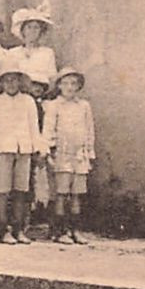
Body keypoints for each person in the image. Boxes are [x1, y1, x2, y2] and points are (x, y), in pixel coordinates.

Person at [0, 60, 43, 243]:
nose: (10, 84)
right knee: (3, 190)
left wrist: (37, 149)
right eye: (7, 80)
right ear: (1, 83)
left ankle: (18, 229)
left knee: (20, 190)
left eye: (14, 80)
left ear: (20, 82)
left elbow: (34, 127)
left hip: (24, 149)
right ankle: (3, 230)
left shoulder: (28, 101)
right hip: (3, 149)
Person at [44, 67, 95, 244]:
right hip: (62, 154)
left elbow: (89, 130)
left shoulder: (84, 106)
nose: (70, 87)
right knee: (61, 193)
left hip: (79, 155)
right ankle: (60, 230)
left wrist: (89, 151)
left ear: (79, 86)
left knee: (76, 194)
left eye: (74, 83)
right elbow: (48, 130)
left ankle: (75, 229)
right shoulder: (53, 106)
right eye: (65, 83)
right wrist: (48, 152)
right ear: (59, 86)